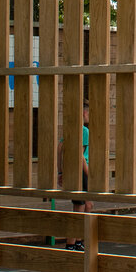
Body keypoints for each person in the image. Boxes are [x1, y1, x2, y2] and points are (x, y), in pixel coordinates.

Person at [59, 102, 91, 251]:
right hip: (80, 171)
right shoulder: (83, 131)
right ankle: (71, 243)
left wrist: (61, 171)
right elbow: (81, 156)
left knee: (86, 205)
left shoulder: (70, 130)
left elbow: (60, 149)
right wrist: (89, 174)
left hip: (72, 170)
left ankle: (78, 241)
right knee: (79, 207)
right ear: (84, 114)